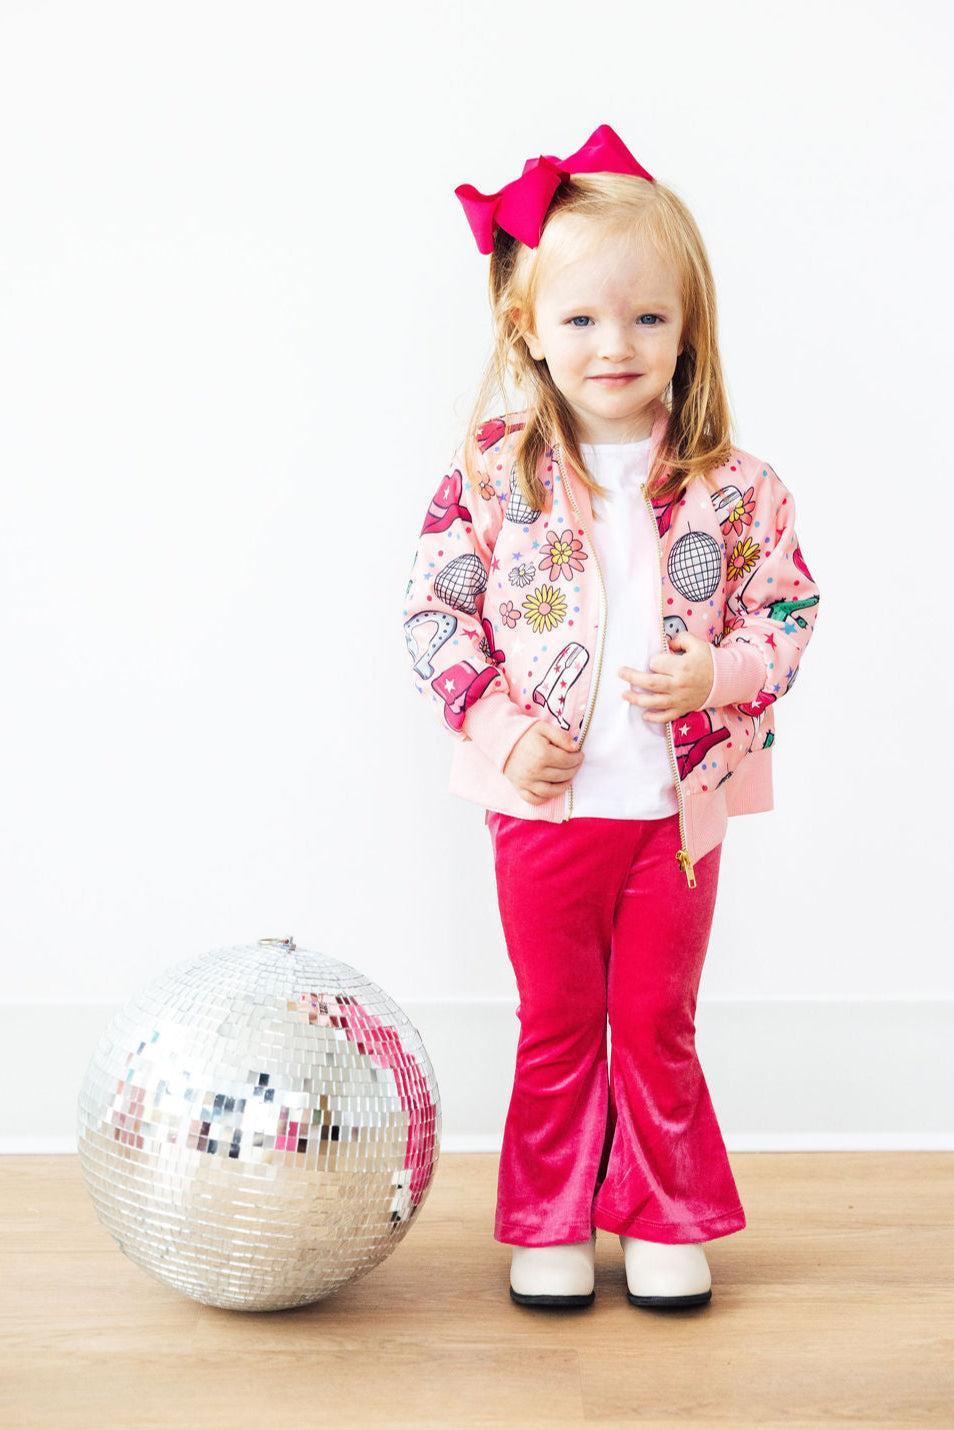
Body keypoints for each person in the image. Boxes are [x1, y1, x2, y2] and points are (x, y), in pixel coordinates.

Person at [401, 124, 821, 1311]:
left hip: (676, 815)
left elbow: (789, 607)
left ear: (688, 329)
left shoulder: (740, 488)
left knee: (654, 1018)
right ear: (528, 326)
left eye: (646, 317)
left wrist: (720, 674)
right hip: (543, 809)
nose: (616, 343)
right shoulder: (492, 475)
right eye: (582, 317)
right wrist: (500, 730)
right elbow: (434, 616)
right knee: (557, 1019)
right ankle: (548, 1218)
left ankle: (662, 1215)